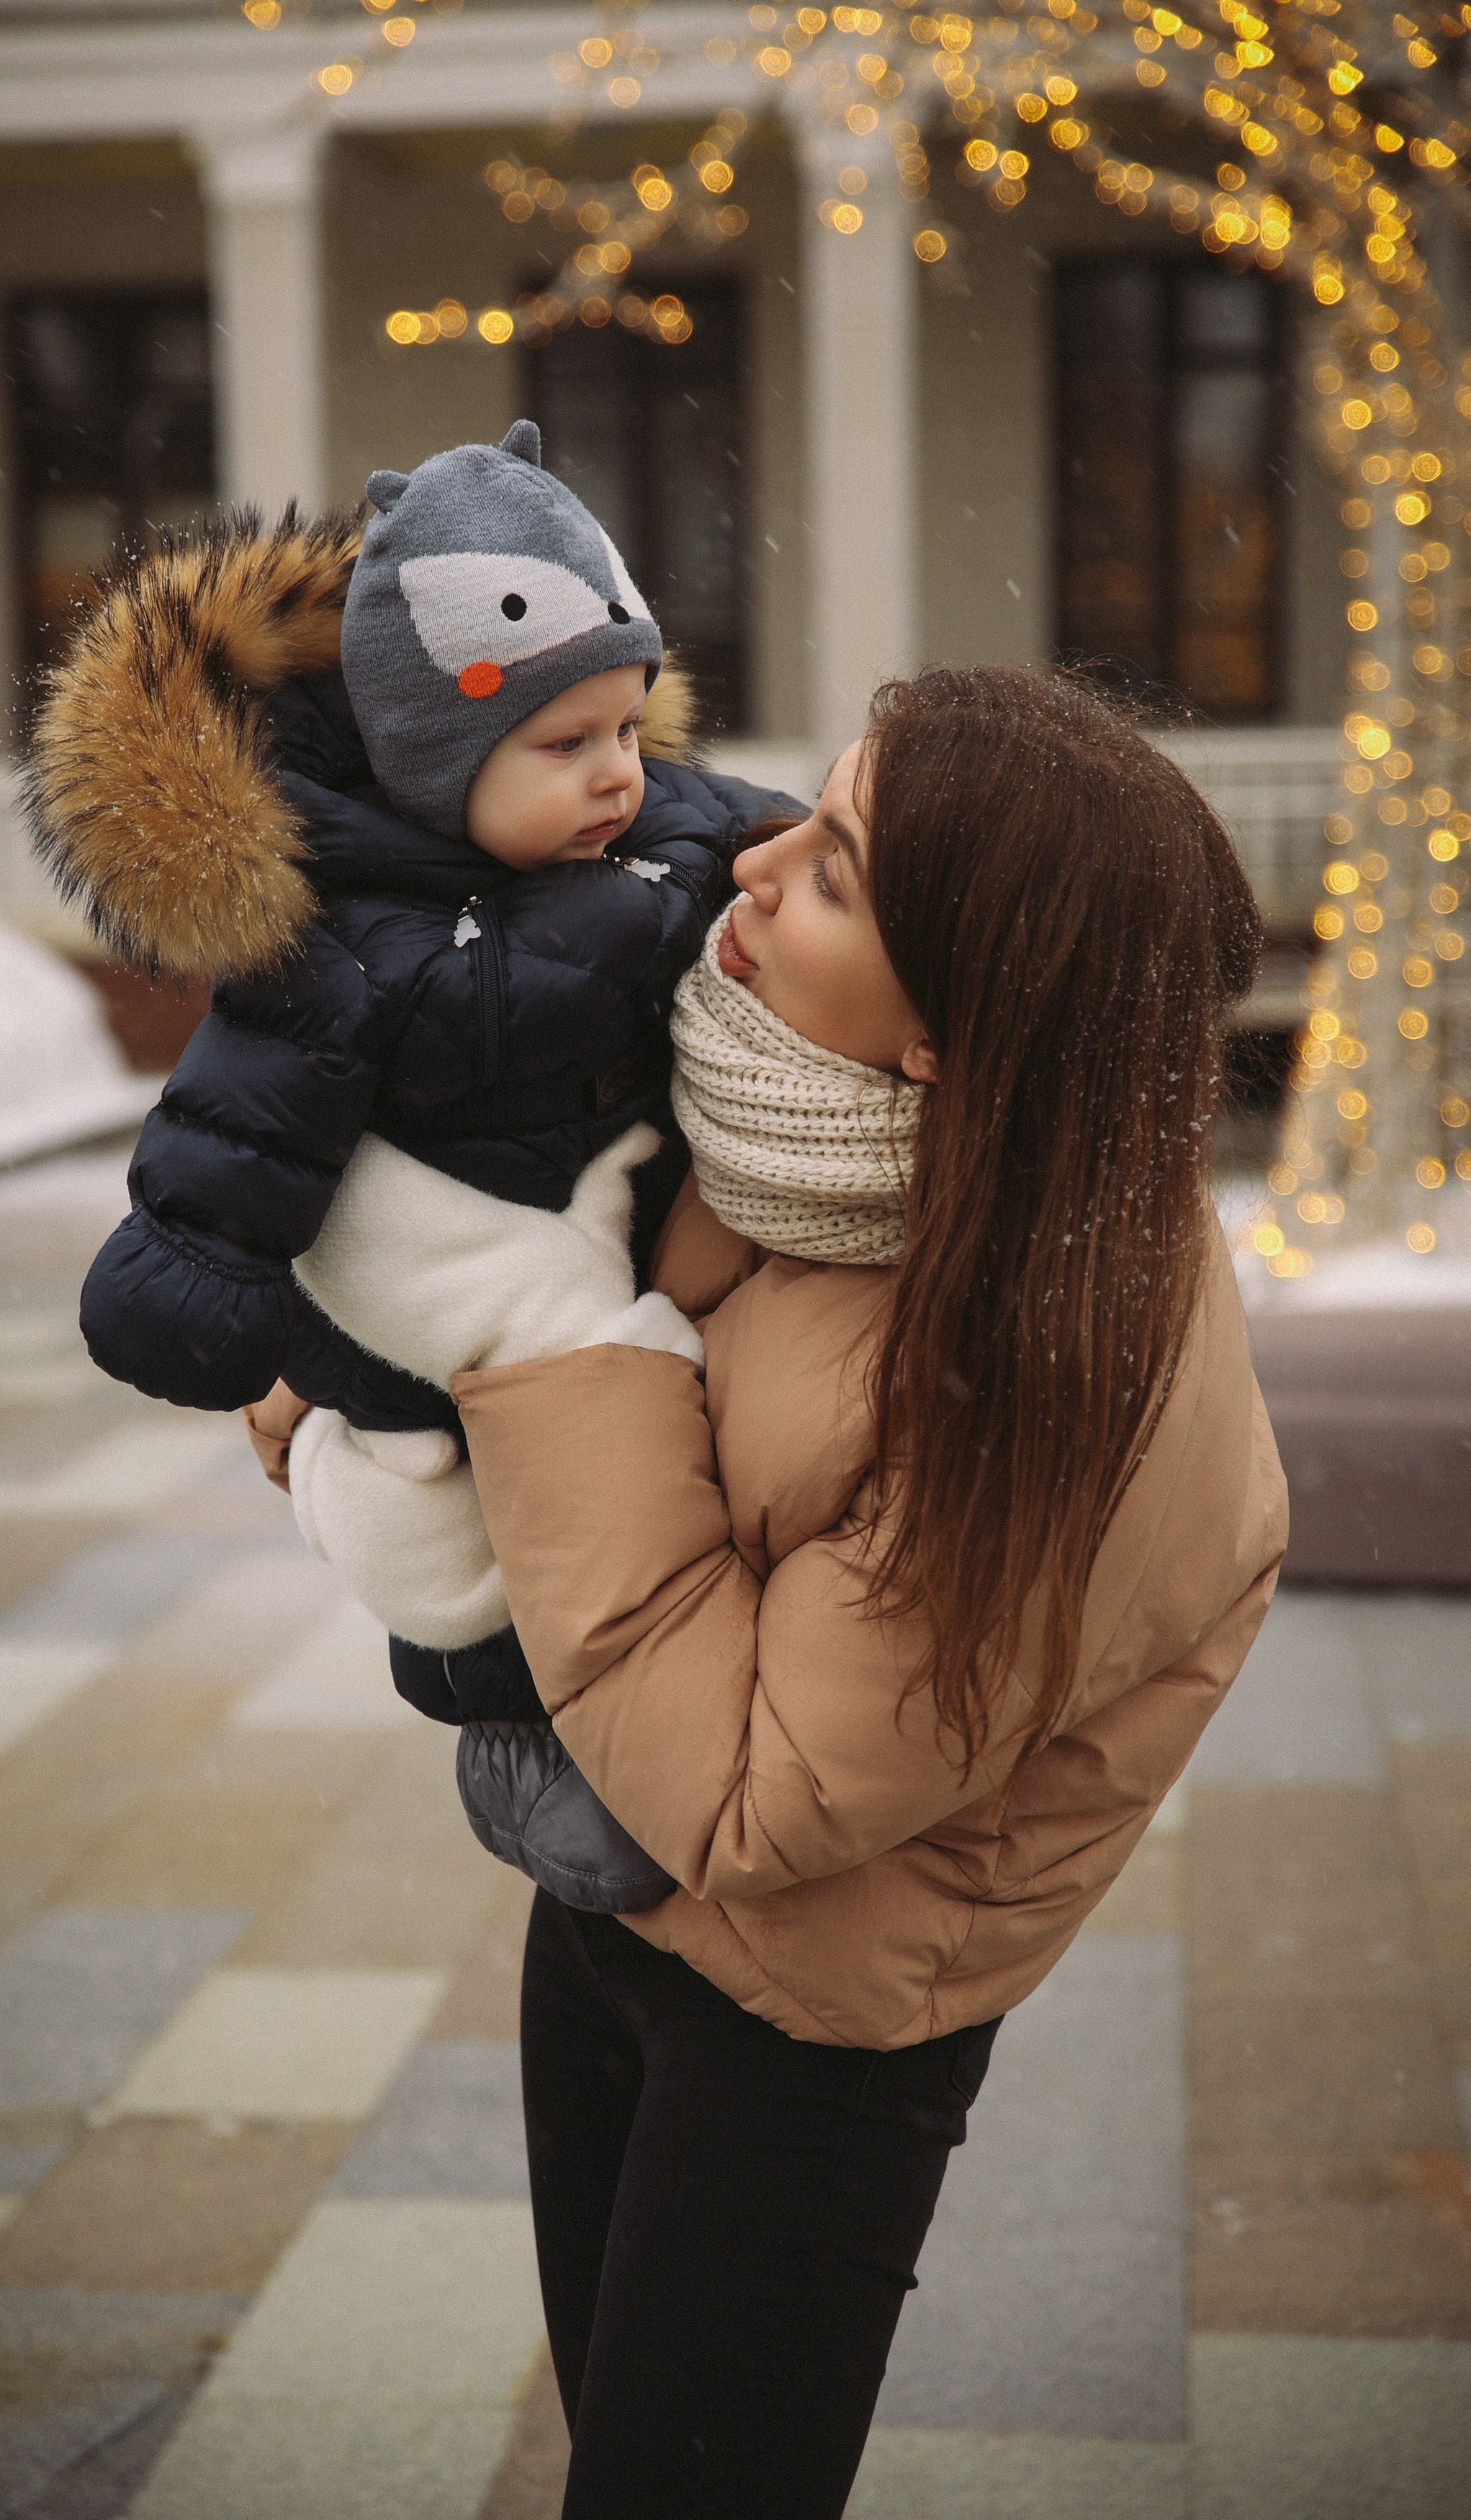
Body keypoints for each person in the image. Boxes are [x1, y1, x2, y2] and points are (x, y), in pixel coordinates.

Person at [251, 665, 1289, 2519]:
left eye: (837, 871)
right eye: (810, 809)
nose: (755, 860)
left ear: (959, 1038)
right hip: (601, 1914)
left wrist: (523, 1341)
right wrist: (355, 1361)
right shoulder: (775, 1102)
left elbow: (753, 1793)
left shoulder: (1073, 1375)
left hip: (809, 2031)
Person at [29, 423, 794, 1901]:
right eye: (565, 747)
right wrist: (190, 1278)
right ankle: (520, 1726)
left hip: (578, 1204)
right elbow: (236, 1123)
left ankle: (596, 1710)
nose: (619, 777)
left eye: (631, 733)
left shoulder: (662, 838)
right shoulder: (336, 942)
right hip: (407, 1270)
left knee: (613, 1416)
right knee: (470, 1519)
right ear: (431, 764)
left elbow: (777, 835)